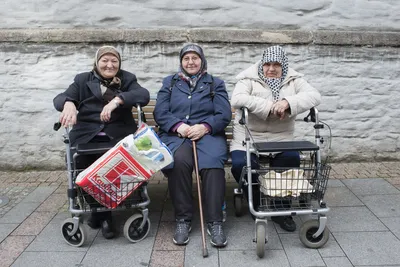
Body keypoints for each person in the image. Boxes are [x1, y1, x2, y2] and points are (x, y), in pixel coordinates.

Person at [53, 45, 150, 239]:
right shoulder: (82, 80)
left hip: (118, 136)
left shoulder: (127, 78)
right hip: (87, 135)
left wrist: (117, 100)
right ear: (97, 63)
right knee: (80, 164)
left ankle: (100, 216)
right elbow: (59, 98)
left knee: (110, 162)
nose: (109, 64)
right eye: (105, 60)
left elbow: (143, 95)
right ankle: (104, 216)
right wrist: (69, 103)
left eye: (114, 60)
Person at [230, 45, 321, 232]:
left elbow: (314, 96)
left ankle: (281, 210)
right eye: (267, 64)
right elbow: (237, 99)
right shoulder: (248, 78)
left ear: (283, 66)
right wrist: (270, 106)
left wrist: (288, 102)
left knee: (290, 160)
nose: (271, 69)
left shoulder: (294, 80)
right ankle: (256, 201)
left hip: (281, 138)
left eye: (276, 64)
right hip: (249, 137)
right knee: (241, 164)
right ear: (262, 64)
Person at [153, 44, 231, 247]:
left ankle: (215, 221)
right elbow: (160, 113)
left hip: (208, 135)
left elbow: (224, 114)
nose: (190, 62)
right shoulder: (170, 83)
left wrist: (205, 127)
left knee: (212, 162)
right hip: (177, 135)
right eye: (186, 58)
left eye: (194, 58)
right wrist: (178, 126)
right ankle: (183, 218)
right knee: (178, 162)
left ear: (202, 60)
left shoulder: (215, 83)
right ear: (181, 61)